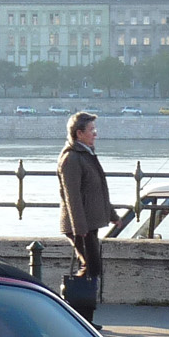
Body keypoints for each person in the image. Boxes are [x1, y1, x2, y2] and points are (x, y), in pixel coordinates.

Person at [57, 111, 121, 281]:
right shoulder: (71, 158)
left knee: (92, 267)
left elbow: (98, 189)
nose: (95, 133)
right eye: (91, 129)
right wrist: (79, 227)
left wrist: (112, 214)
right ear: (79, 133)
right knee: (90, 266)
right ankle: (78, 302)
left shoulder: (86, 154)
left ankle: (84, 302)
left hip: (88, 223)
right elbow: (72, 195)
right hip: (80, 225)